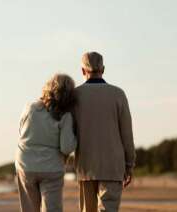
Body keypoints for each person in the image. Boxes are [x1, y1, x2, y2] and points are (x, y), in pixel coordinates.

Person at [74, 52, 136, 212]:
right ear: (103, 69)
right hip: (113, 166)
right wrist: (129, 165)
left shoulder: (75, 95)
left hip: (86, 166)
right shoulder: (118, 94)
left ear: (82, 71)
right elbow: (127, 133)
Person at [15, 73, 77, 212]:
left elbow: (21, 132)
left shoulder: (30, 108)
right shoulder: (65, 116)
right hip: (51, 168)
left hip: (26, 165)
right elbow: (67, 148)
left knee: (29, 209)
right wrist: (76, 138)